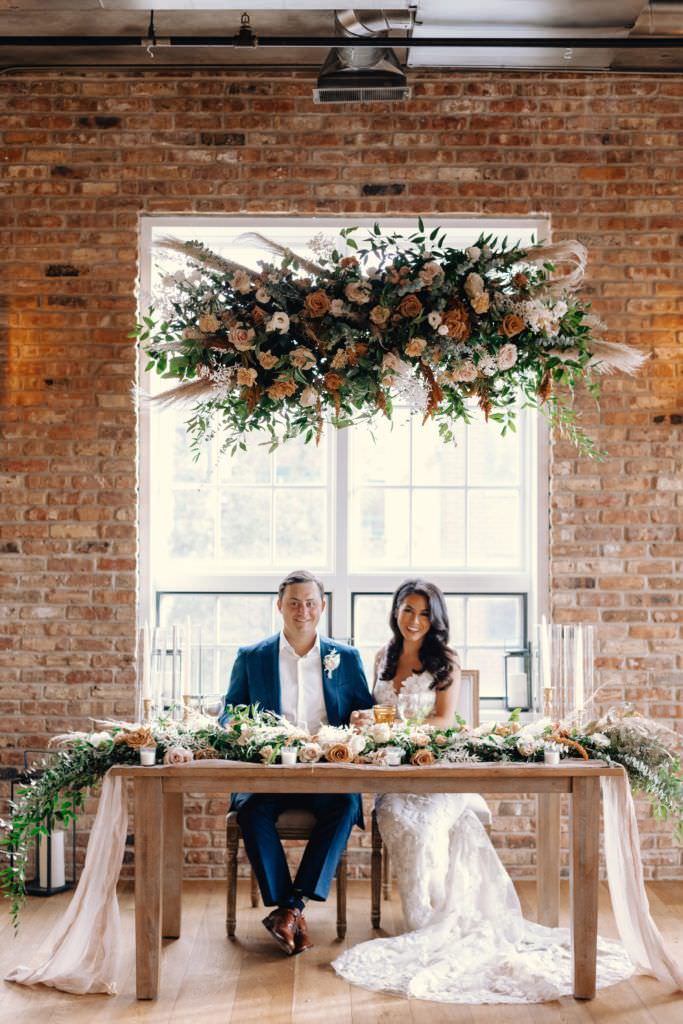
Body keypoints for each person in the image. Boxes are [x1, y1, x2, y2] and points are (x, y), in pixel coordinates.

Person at [332, 578, 633, 1003]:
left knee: (424, 828)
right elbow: (376, 709)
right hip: (395, 778)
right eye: (407, 610)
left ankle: (436, 923)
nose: (414, 620)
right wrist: (367, 719)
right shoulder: (383, 656)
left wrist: (398, 727)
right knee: (397, 816)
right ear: (395, 611)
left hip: (437, 774)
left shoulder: (446, 663)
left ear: (434, 618)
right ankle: (423, 919)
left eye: (423, 613)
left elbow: (443, 720)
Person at [219, 569, 373, 957]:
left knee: (346, 805)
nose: (301, 610)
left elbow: (366, 713)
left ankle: (288, 910)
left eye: (309, 603)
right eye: (293, 603)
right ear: (279, 606)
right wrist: (242, 727)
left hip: (327, 774)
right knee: (250, 810)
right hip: (270, 772)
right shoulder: (252, 657)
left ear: (322, 606)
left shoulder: (347, 657)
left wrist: (361, 721)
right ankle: (291, 908)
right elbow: (228, 716)